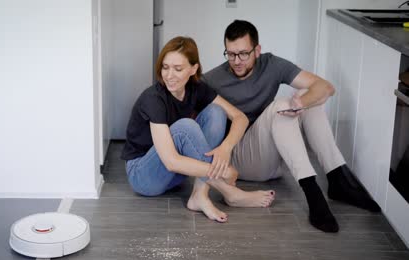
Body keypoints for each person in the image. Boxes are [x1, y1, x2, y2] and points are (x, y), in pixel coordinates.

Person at [202, 20, 380, 232]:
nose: (236, 61)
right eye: (230, 54)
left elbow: (326, 87)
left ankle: (337, 177)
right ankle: (312, 192)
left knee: (309, 99)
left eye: (243, 54)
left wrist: (302, 103)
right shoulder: (213, 79)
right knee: (282, 106)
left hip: (274, 161)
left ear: (257, 50)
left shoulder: (273, 65)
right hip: (241, 161)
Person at [120, 36, 275, 222]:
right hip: (144, 175)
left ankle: (199, 195)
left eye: (178, 69)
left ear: (193, 69)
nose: (169, 75)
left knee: (216, 112)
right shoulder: (153, 98)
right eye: (165, 67)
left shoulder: (196, 88)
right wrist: (224, 172)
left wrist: (225, 149)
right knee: (185, 127)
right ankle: (230, 193)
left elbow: (239, 117)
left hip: (177, 176)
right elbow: (171, 162)